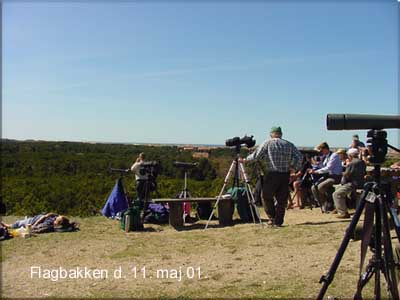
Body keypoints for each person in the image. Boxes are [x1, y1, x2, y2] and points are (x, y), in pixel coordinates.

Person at [240, 126, 302, 227]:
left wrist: (245, 160)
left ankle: (272, 217)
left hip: (272, 173)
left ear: (271, 134)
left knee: (266, 196)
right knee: (282, 199)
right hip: (285, 174)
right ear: (281, 134)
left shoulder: (268, 143)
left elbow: (256, 156)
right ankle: (278, 221)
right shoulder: (289, 144)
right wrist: (293, 168)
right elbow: (299, 157)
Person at [333, 148, 366, 218]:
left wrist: (343, 173)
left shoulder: (352, 163)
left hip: (353, 184)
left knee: (336, 194)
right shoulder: (362, 162)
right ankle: (337, 208)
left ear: (350, 155)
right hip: (361, 182)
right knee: (338, 188)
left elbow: (347, 175)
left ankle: (343, 212)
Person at [309, 142, 343, 213]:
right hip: (327, 176)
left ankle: (329, 203)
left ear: (325, 149)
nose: (321, 153)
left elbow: (328, 168)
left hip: (335, 176)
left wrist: (316, 171)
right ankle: (323, 204)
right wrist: (315, 166)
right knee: (314, 188)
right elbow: (323, 167)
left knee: (321, 187)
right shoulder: (326, 157)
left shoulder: (334, 156)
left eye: (321, 151)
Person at [1, 213, 71, 230]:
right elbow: (45, 217)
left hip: (31, 220)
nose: (57, 216)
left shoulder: (51, 221)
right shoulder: (53, 219)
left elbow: (45, 217)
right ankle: (4, 224)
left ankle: (4, 225)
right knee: (14, 224)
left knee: (16, 224)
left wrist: (35, 225)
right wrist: (35, 225)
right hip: (32, 220)